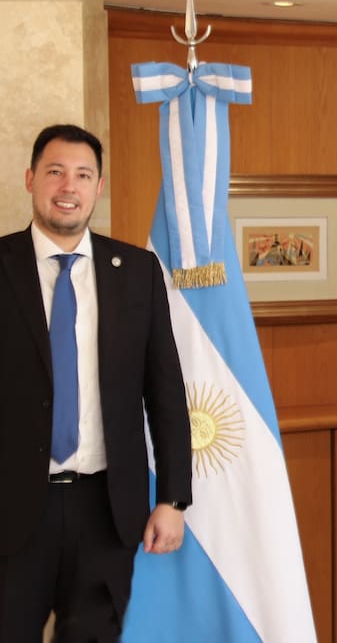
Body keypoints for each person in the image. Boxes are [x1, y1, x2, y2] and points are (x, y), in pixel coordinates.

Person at [0, 124, 192, 641]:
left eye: (83, 175)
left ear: (98, 187)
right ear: (30, 178)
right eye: (55, 171)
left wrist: (174, 499)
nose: (69, 186)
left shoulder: (135, 271)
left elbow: (166, 391)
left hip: (105, 511)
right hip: (12, 510)